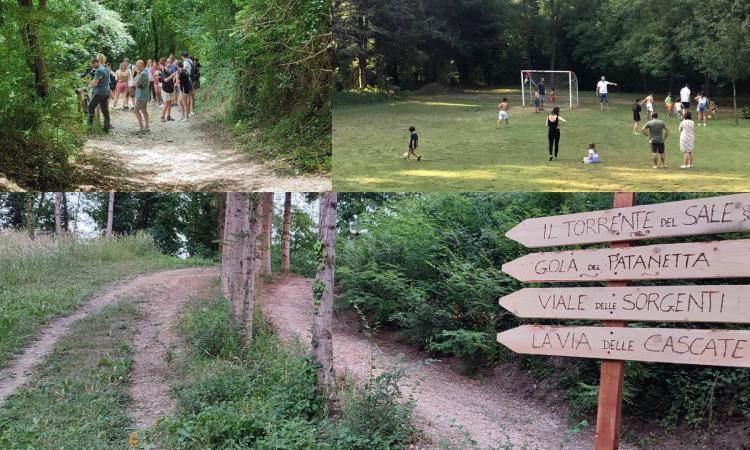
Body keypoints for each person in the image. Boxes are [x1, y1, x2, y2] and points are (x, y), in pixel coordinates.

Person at [87, 57, 111, 132]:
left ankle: (89, 126)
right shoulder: (106, 68)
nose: (92, 67)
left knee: (91, 107)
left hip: (99, 92)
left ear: (95, 63)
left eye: (93, 65)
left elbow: (95, 83)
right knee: (105, 110)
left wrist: (90, 83)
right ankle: (106, 127)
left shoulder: (98, 70)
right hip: (106, 92)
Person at [133, 60, 151, 133]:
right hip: (144, 94)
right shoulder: (144, 72)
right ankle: (146, 127)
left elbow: (136, 82)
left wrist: (136, 74)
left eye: (137, 65)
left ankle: (142, 127)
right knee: (144, 110)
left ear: (141, 64)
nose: (136, 66)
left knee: (136, 110)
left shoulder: (143, 73)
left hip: (141, 95)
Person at [181, 52, 196, 116]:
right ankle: (192, 110)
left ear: (182, 56)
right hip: (192, 79)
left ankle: (189, 112)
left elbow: (183, 70)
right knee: (191, 95)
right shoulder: (191, 61)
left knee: (188, 96)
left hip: (188, 79)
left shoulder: (185, 62)